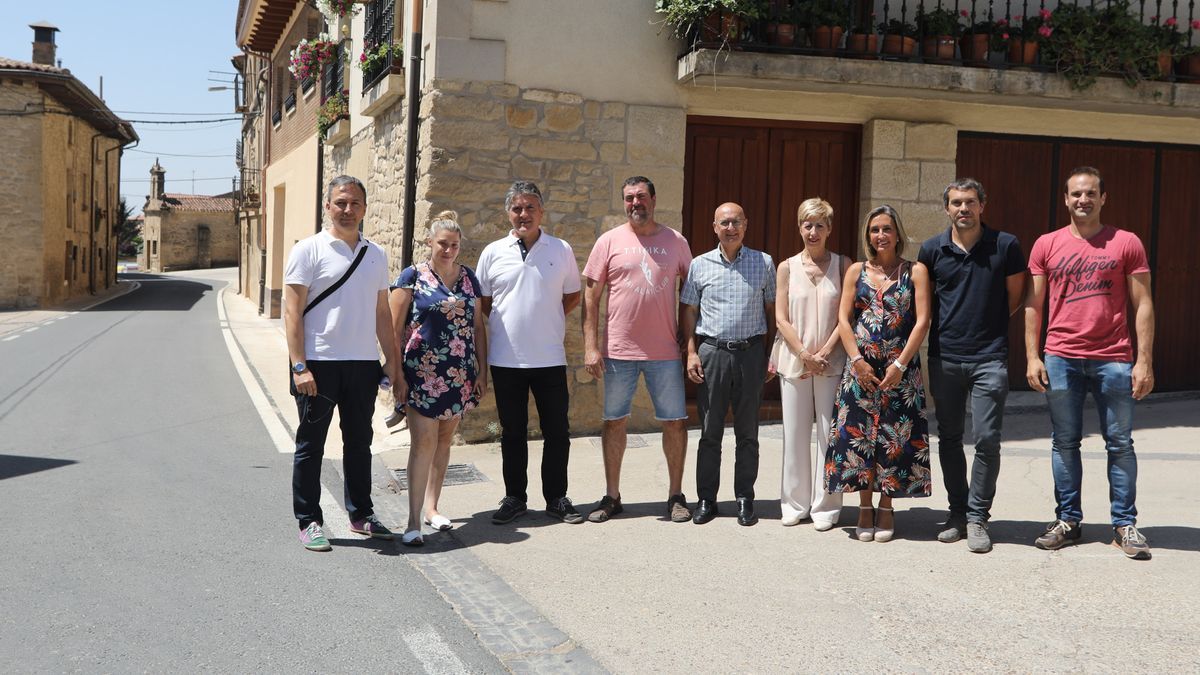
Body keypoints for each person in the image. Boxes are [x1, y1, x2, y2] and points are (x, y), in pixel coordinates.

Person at [1024, 166, 1155, 560]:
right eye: (1076, 194)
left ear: (1103, 198)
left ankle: (1124, 524)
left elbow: (1144, 303)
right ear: (1065, 200)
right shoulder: (1046, 244)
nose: (1083, 200)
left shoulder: (1126, 242)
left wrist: (1143, 361)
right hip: (1061, 355)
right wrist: (1032, 356)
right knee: (1064, 442)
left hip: (1114, 358)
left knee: (1120, 443)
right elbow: (1034, 304)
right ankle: (1068, 520)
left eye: (1091, 193)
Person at [284, 175, 398, 552]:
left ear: (364, 208)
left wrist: (392, 362)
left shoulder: (376, 254)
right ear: (328, 206)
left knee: (359, 443)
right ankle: (309, 521)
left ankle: (361, 515)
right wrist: (299, 366)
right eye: (341, 203)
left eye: (355, 204)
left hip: (363, 365)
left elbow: (383, 313)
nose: (348, 210)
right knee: (311, 444)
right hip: (318, 363)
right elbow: (291, 311)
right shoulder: (309, 250)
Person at [918, 179, 1025, 554]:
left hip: (989, 357)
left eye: (970, 202)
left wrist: (987, 329)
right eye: (955, 203)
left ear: (982, 205)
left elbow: (1015, 296)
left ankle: (979, 516)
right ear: (946, 208)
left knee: (988, 439)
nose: (963, 209)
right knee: (947, 438)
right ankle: (958, 513)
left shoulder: (1006, 245)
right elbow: (924, 304)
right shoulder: (931, 249)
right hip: (945, 357)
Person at [582, 176, 693, 523]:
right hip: (618, 352)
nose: (635, 204)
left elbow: (690, 298)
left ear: (654, 199)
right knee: (614, 422)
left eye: (641, 197)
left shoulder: (676, 242)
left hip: (665, 352)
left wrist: (689, 345)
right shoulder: (609, 241)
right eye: (629, 198)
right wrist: (590, 346)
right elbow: (590, 298)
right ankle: (612, 495)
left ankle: (675, 495)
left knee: (674, 423)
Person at [476, 181, 583, 525]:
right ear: (509, 213)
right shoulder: (493, 252)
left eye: (530, 208)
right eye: (517, 208)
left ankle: (556, 497)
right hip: (507, 360)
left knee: (557, 432)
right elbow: (485, 304)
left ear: (541, 211)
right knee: (512, 432)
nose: (524, 214)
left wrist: (544, 318)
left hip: (550, 357)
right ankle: (515, 498)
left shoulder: (560, 249)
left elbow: (572, 296)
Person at [825, 205, 932, 542]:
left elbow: (923, 321)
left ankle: (887, 506)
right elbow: (844, 320)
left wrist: (900, 365)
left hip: (901, 371)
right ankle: (865, 507)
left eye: (887, 229)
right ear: (867, 235)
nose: (881, 235)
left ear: (898, 233)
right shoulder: (856, 270)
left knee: (894, 438)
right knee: (858, 438)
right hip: (860, 370)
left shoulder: (915, 272)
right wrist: (856, 360)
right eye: (874, 230)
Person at [389, 211, 488, 546]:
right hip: (422, 373)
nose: (448, 250)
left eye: (454, 245)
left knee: (444, 442)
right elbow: (393, 327)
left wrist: (481, 370)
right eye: (442, 244)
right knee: (423, 444)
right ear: (430, 242)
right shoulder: (412, 276)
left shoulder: (468, 278)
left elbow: (477, 328)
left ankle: (432, 508)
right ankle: (413, 521)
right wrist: (395, 375)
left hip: (459, 373)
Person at [681, 202, 775, 526]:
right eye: (724, 223)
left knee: (748, 432)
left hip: (750, 354)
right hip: (713, 355)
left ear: (745, 225)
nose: (731, 228)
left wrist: (769, 352)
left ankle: (745, 497)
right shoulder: (699, 265)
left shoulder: (763, 263)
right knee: (710, 431)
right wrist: (692, 352)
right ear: (714, 226)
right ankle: (706, 499)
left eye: (736, 222)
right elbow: (689, 311)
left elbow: (772, 310)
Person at [771, 197, 846, 531]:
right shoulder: (787, 266)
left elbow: (847, 315)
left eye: (819, 225)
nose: (812, 231)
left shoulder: (844, 265)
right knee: (795, 433)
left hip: (833, 359)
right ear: (799, 227)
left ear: (829, 228)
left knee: (830, 434)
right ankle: (794, 503)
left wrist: (826, 351)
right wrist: (804, 353)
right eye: (807, 224)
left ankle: (827, 505)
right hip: (795, 360)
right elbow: (781, 317)